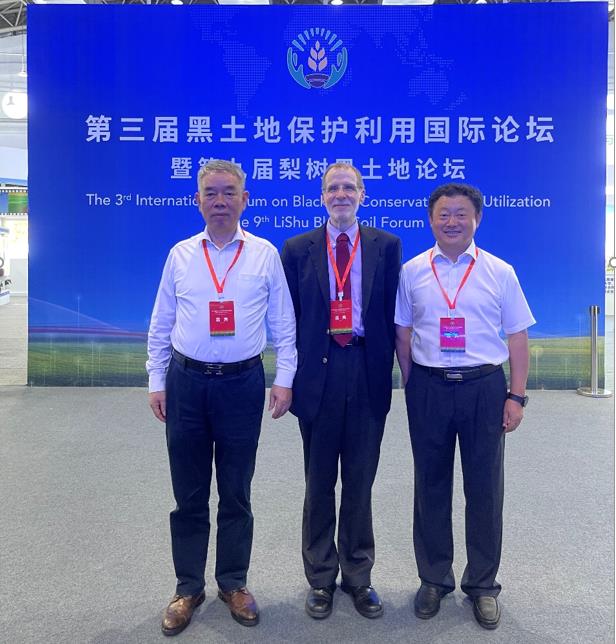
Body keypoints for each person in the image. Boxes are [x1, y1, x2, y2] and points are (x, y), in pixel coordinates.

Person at [146, 159, 296, 636]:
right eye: (210, 192)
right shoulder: (180, 255)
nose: (220, 201)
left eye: (229, 192)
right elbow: (161, 322)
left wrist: (285, 379)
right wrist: (156, 380)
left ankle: (233, 582)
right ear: (197, 200)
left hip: (241, 384)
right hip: (187, 384)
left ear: (244, 200)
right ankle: (188, 587)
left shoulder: (264, 254)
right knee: (188, 492)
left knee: (236, 490)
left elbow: (284, 324)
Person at [395, 182, 535, 630]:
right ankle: (434, 579)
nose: (451, 222)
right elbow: (402, 334)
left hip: (483, 389)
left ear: (477, 219)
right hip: (429, 387)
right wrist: (414, 385)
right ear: (430, 219)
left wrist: (516, 395)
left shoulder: (500, 271)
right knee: (430, 486)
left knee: (485, 489)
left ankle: (483, 585)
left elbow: (517, 336)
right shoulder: (412, 271)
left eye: (460, 214)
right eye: (444, 214)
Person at [281, 162, 401, 620]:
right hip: (319, 374)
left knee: (360, 480)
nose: (341, 194)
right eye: (333, 188)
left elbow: (393, 315)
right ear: (322, 196)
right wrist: (287, 379)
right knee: (318, 482)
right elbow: (289, 321)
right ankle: (320, 578)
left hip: (366, 370)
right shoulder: (298, 249)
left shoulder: (386, 246)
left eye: (349, 187)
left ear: (362, 194)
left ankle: (358, 575)